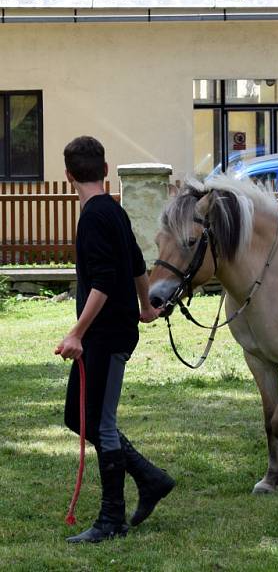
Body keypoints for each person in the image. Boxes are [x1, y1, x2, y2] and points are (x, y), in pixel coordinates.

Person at [55, 136, 174, 544]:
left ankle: (112, 519)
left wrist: (77, 332)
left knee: (101, 424)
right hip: (113, 330)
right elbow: (139, 265)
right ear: (106, 171)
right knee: (78, 415)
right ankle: (149, 477)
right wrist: (145, 305)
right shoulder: (115, 211)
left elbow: (104, 283)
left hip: (105, 335)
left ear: (68, 175)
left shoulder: (92, 218)